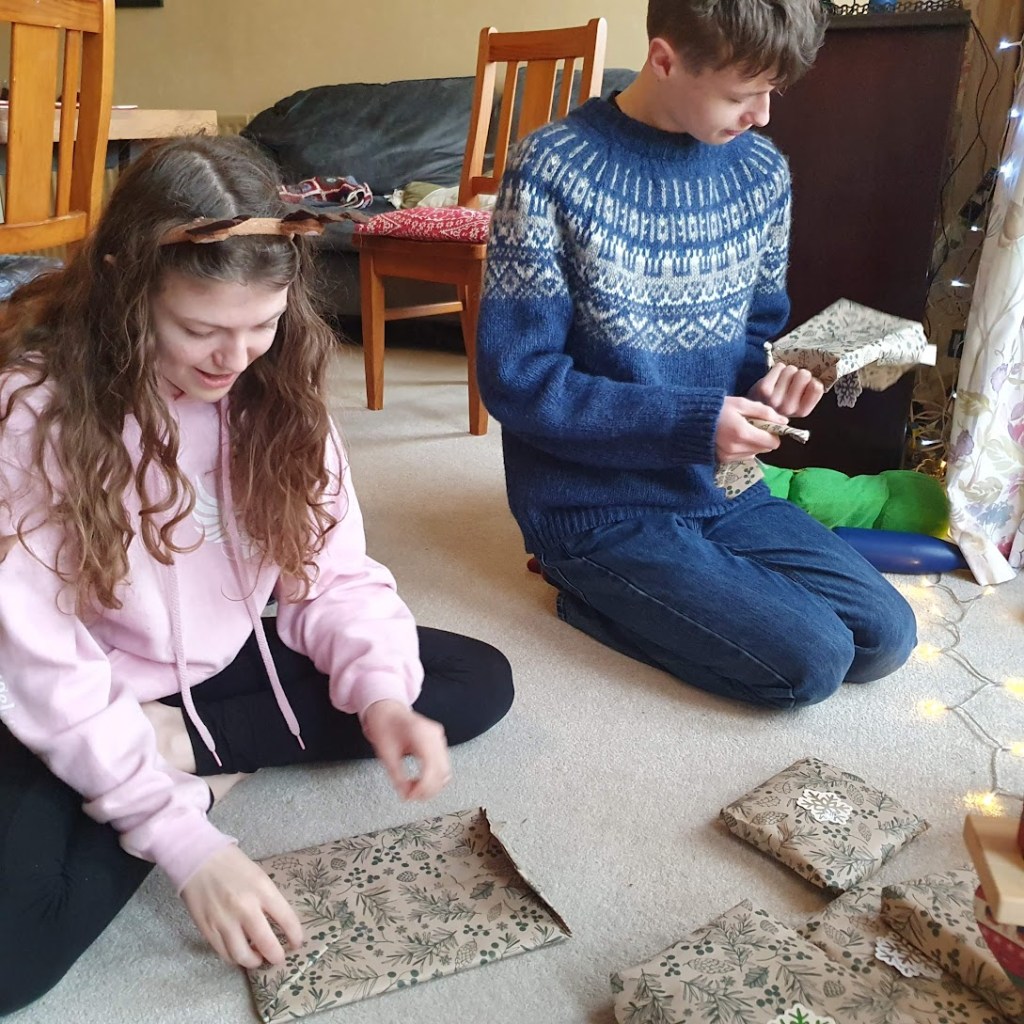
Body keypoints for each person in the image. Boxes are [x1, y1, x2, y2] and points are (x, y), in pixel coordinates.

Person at [0, 134, 514, 1014]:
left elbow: (333, 577)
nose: (232, 360)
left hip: (220, 650)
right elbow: (34, 654)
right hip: (70, 679)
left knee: (469, 681)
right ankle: (169, 758)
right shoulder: (30, 413)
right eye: (199, 330)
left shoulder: (279, 391)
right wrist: (184, 839)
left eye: (261, 325)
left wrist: (382, 696)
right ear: (128, 287)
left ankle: (183, 742)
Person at [476, 0, 917, 711]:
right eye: (742, 94)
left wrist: (773, 383)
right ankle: (584, 593)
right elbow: (518, 379)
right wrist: (694, 421)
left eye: (773, 91)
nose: (764, 115)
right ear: (664, 59)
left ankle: (677, 588)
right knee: (812, 665)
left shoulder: (761, 174)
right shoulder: (551, 168)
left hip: (721, 484)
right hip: (594, 504)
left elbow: (755, 332)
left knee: (886, 636)